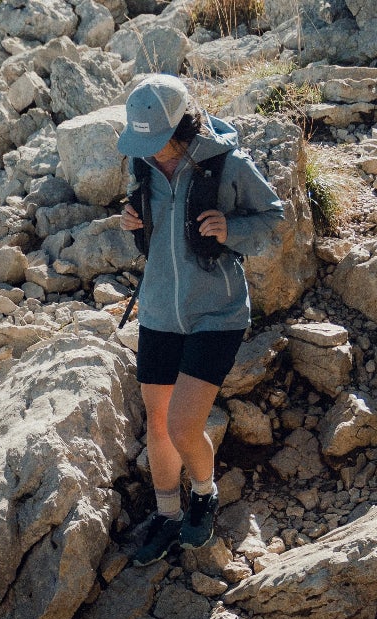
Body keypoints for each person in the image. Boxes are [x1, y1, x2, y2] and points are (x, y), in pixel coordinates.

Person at [116, 73, 287, 566]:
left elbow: (274, 219)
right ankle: (168, 516)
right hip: (158, 310)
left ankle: (205, 495)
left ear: (180, 129)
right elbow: (149, 219)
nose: (149, 152)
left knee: (183, 425)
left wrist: (232, 228)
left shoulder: (227, 164)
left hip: (217, 313)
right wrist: (131, 218)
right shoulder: (142, 163)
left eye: (156, 140)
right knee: (157, 424)